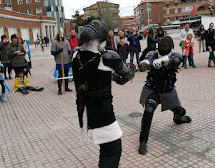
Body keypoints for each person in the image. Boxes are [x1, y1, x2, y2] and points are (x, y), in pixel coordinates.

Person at [71, 20, 136, 168]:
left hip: (85, 109)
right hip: (102, 112)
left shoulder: (75, 55)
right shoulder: (106, 59)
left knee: (105, 145)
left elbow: (92, 74)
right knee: (113, 149)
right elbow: (125, 75)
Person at [138, 36, 192, 155]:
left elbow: (176, 60)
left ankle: (178, 118)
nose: (163, 47)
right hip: (153, 90)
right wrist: (145, 63)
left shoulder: (175, 55)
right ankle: (143, 142)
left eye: (165, 46)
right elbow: (148, 59)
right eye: (161, 45)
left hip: (168, 91)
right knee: (148, 110)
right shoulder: (153, 54)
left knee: (180, 110)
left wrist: (165, 61)